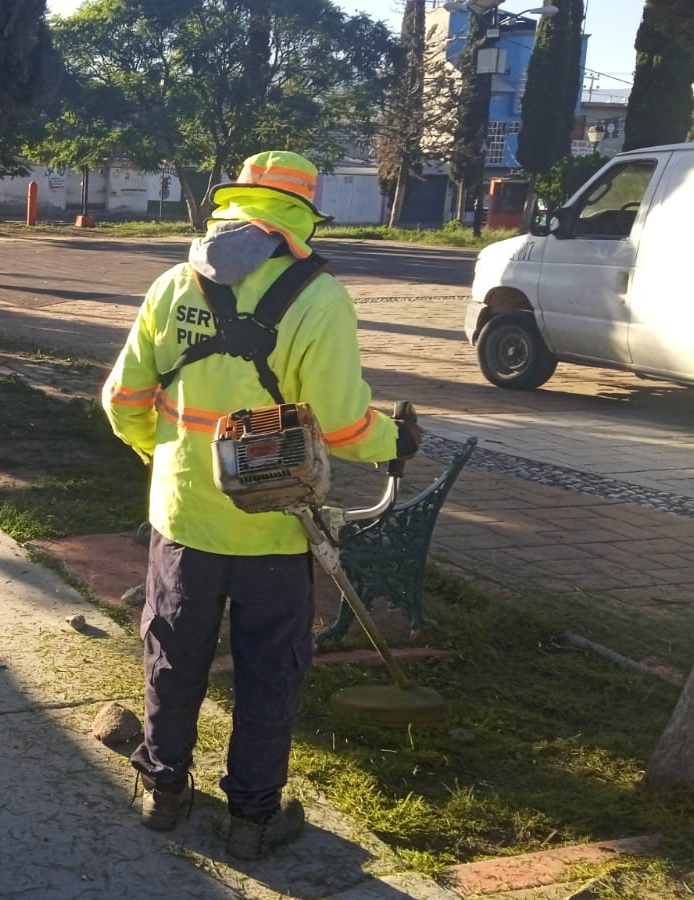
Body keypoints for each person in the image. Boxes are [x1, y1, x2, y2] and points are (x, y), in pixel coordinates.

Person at [100, 150, 421, 859]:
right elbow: (342, 423)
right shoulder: (319, 297)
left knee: (173, 655)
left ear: (232, 203)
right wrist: (398, 440)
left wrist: (166, 459)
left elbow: (122, 399)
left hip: (183, 519)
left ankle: (164, 790)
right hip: (276, 528)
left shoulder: (174, 284)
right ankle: (252, 818)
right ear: (302, 214)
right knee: (270, 670)